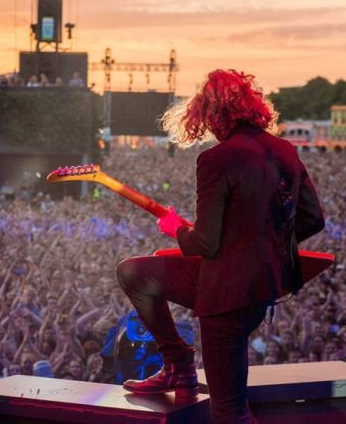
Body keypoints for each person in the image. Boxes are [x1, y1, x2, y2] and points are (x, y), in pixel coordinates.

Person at [116, 69, 325, 424]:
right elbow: (313, 219)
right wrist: (266, 244)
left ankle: (180, 366)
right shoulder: (284, 150)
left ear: (211, 114)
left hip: (227, 296)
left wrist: (174, 230)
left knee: (230, 411)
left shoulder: (217, 159)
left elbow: (205, 243)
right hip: (263, 286)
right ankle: (179, 365)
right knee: (134, 272)